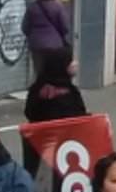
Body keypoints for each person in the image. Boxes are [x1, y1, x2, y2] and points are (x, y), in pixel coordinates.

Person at [22, 48, 88, 179]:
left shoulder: (37, 89)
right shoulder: (69, 93)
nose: (75, 63)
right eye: (71, 61)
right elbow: (79, 118)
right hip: (65, 155)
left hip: (38, 152)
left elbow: (29, 112)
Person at [20, 0, 71, 77]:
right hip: (55, 46)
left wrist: (33, 36)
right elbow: (65, 27)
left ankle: (40, 91)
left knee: (39, 73)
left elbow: (24, 27)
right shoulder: (57, 7)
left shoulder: (32, 7)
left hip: (36, 46)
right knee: (54, 74)